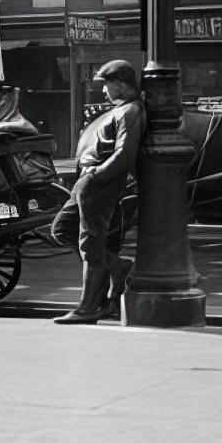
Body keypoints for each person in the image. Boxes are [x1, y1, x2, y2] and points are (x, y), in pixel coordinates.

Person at [51, 59, 145, 324]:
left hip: (97, 185)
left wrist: (95, 175)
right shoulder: (121, 111)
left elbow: (124, 154)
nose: (104, 90)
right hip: (89, 183)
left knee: (90, 243)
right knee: (64, 231)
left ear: (120, 83)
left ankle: (89, 307)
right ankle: (117, 269)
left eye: (106, 84)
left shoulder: (130, 111)